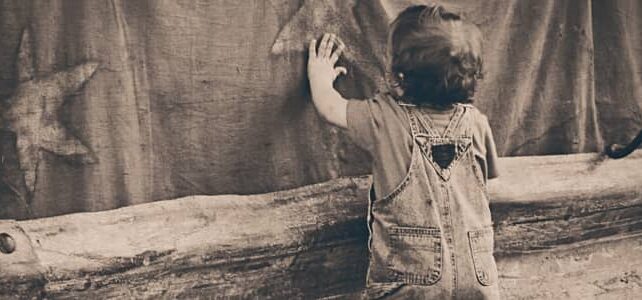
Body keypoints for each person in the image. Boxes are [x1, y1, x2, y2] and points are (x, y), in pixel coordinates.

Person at [307, 4, 500, 299]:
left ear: (397, 75)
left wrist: (319, 74)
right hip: (478, 276)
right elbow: (485, 187)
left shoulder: (384, 118)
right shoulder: (477, 124)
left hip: (411, 281)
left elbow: (329, 107)